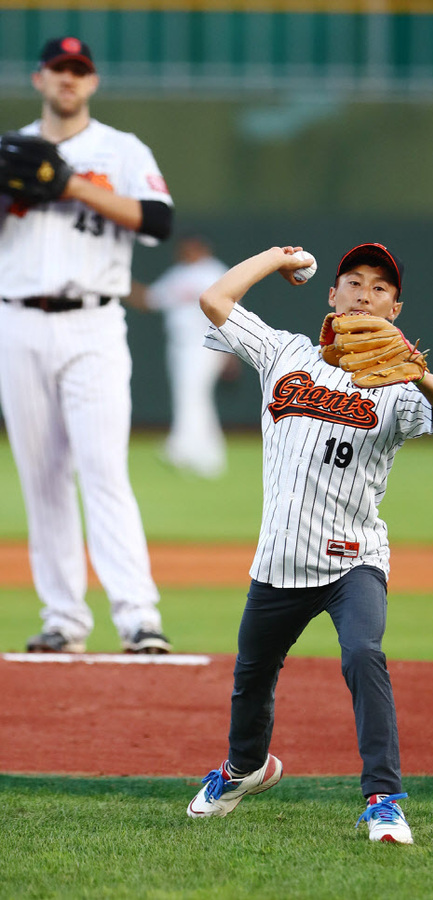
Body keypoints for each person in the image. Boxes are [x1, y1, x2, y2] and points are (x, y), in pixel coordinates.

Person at [186, 242, 433, 843]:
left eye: (381, 288)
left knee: (363, 654)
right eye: (354, 282)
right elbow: (215, 299)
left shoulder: (398, 386)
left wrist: (417, 370)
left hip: (353, 561)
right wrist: (276, 257)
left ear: (395, 310)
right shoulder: (285, 353)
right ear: (332, 296)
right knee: (253, 674)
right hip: (279, 559)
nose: (366, 294)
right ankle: (244, 770)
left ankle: (385, 800)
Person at [0, 37, 174, 654]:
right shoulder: (11, 150)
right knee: (40, 476)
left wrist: (70, 183)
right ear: (39, 78)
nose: (69, 79)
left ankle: (138, 617)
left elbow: (158, 222)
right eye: (59, 70)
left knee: (103, 470)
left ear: (92, 82)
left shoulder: (120, 150)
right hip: (18, 321)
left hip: (94, 322)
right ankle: (63, 620)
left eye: (79, 71)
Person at [128, 235, 239, 478]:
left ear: (201, 247)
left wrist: (230, 349)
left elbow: (230, 311)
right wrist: (118, 282)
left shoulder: (215, 272)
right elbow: (149, 299)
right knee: (195, 397)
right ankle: (209, 457)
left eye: (189, 247)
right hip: (180, 344)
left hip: (207, 344)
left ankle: (180, 447)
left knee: (192, 394)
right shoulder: (179, 274)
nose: (184, 252)